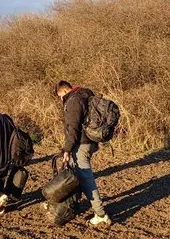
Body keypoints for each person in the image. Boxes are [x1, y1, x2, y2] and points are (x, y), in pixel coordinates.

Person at [55, 80, 111, 227]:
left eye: (60, 95)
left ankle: (101, 215)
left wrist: (67, 149)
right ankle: (70, 205)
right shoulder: (87, 94)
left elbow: (72, 128)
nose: (60, 99)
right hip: (91, 142)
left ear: (65, 91)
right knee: (76, 176)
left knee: (86, 179)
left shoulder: (73, 101)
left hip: (81, 144)